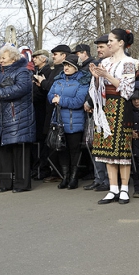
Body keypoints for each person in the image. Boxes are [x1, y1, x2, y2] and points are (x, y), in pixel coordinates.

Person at [89, 28, 137, 205]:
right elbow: (97, 88)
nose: (108, 43)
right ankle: (113, 188)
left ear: (121, 43)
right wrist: (96, 77)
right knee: (107, 149)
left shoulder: (129, 62)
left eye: (111, 40)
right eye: (108, 41)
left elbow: (127, 90)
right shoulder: (105, 62)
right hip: (105, 106)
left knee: (122, 150)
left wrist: (106, 75)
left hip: (121, 106)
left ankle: (124, 189)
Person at [0, 45, 36, 193]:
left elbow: (22, 89)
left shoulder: (23, 71)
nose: (0, 60)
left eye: (3, 57)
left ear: (14, 59)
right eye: (0, 57)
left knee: (19, 151)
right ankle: (5, 183)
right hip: (1, 116)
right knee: (3, 151)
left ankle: (22, 184)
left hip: (19, 116)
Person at [47, 53, 90, 190]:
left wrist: (61, 100)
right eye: (65, 65)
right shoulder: (58, 79)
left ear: (76, 67)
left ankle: (73, 178)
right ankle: (65, 177)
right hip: (59, 121)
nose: (66, 67)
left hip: (74, 122)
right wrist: (55, 99)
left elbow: (78, 101)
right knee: (61, 149)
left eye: (69, 65)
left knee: (74, 150)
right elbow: (50, 95)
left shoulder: (82, 81)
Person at [83, 34, 113, 192]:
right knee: (97, 146)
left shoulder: (120, 63)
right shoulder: (97, 64)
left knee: (109, 148)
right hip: (98, 111)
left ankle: (111, 180)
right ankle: (99, 178)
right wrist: (89, 101)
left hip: (112, 111)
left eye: (101, 46)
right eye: (98, 47)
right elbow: (93, 87)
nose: (98, 50)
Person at [40, 44, 72, 183]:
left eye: (56, 54)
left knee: (59, 145)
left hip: (60, 113)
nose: (53, 56)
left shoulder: (61, 72)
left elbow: (53, 88)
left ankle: (62, 173)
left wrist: (42, 82)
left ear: (64, 56)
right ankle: (57, 172)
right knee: (51, 144)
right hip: (50, 111)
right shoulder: (55, 70)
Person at [31, 49, 53, 179]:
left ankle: (43, 169)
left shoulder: (48, 72)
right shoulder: (36, 72)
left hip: (43, 110)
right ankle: (37, 167)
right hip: (36, 110)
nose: (34, 59)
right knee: (37, 141)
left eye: (37, 57)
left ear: (44, 59)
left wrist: (40, 86)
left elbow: (45, 92)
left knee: (43, 142)